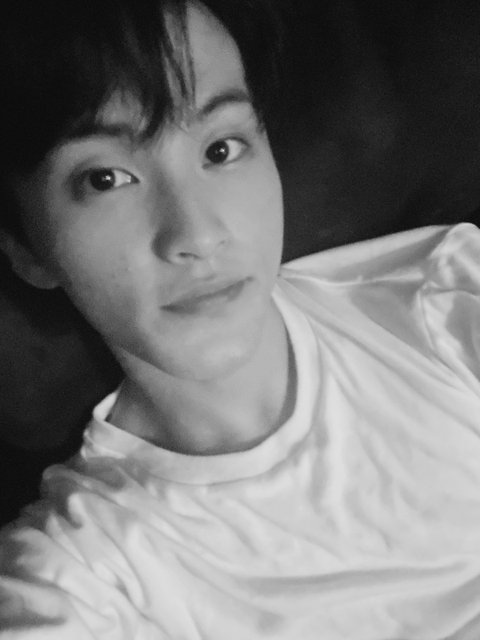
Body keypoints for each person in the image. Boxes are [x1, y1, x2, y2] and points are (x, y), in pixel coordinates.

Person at [0, 0, 480, 638]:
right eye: (106, 178)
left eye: (221, 149)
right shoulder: (83, 574)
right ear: (25, 247)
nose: (197, 235)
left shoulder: (445, 295)